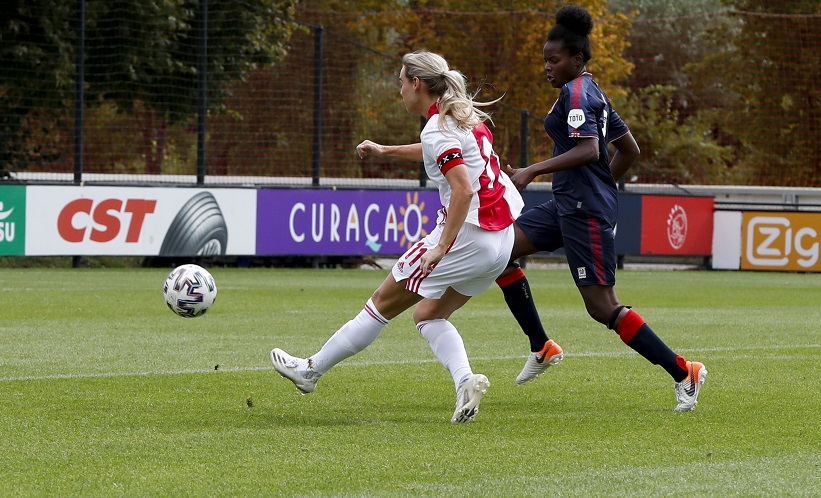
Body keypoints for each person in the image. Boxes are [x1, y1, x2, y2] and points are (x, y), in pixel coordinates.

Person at [356, 4, 708, 412]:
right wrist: (601, 186)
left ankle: (684, 371)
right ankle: (541, 345)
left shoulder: (577, 93)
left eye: (553, 60)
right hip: (567, 205)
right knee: (500, 249)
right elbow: (629, 150)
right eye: (545, 59)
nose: (547, 67)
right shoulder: (590, 91)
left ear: (577, 59)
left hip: (583, 213)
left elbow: (591, 148)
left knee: (602, 306)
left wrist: (534, 173)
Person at [270, 50, 525, 423]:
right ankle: (465, 382)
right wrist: (385, 150)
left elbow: (463, 190)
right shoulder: (460, 117)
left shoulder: (437, 127)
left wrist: (440, 246)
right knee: (428, 314)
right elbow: (439, 153)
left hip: (468, 235)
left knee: (380, 304)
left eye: (401, 83)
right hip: (501, 239)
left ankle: (311, 371)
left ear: (417, 84)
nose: (400, 90)